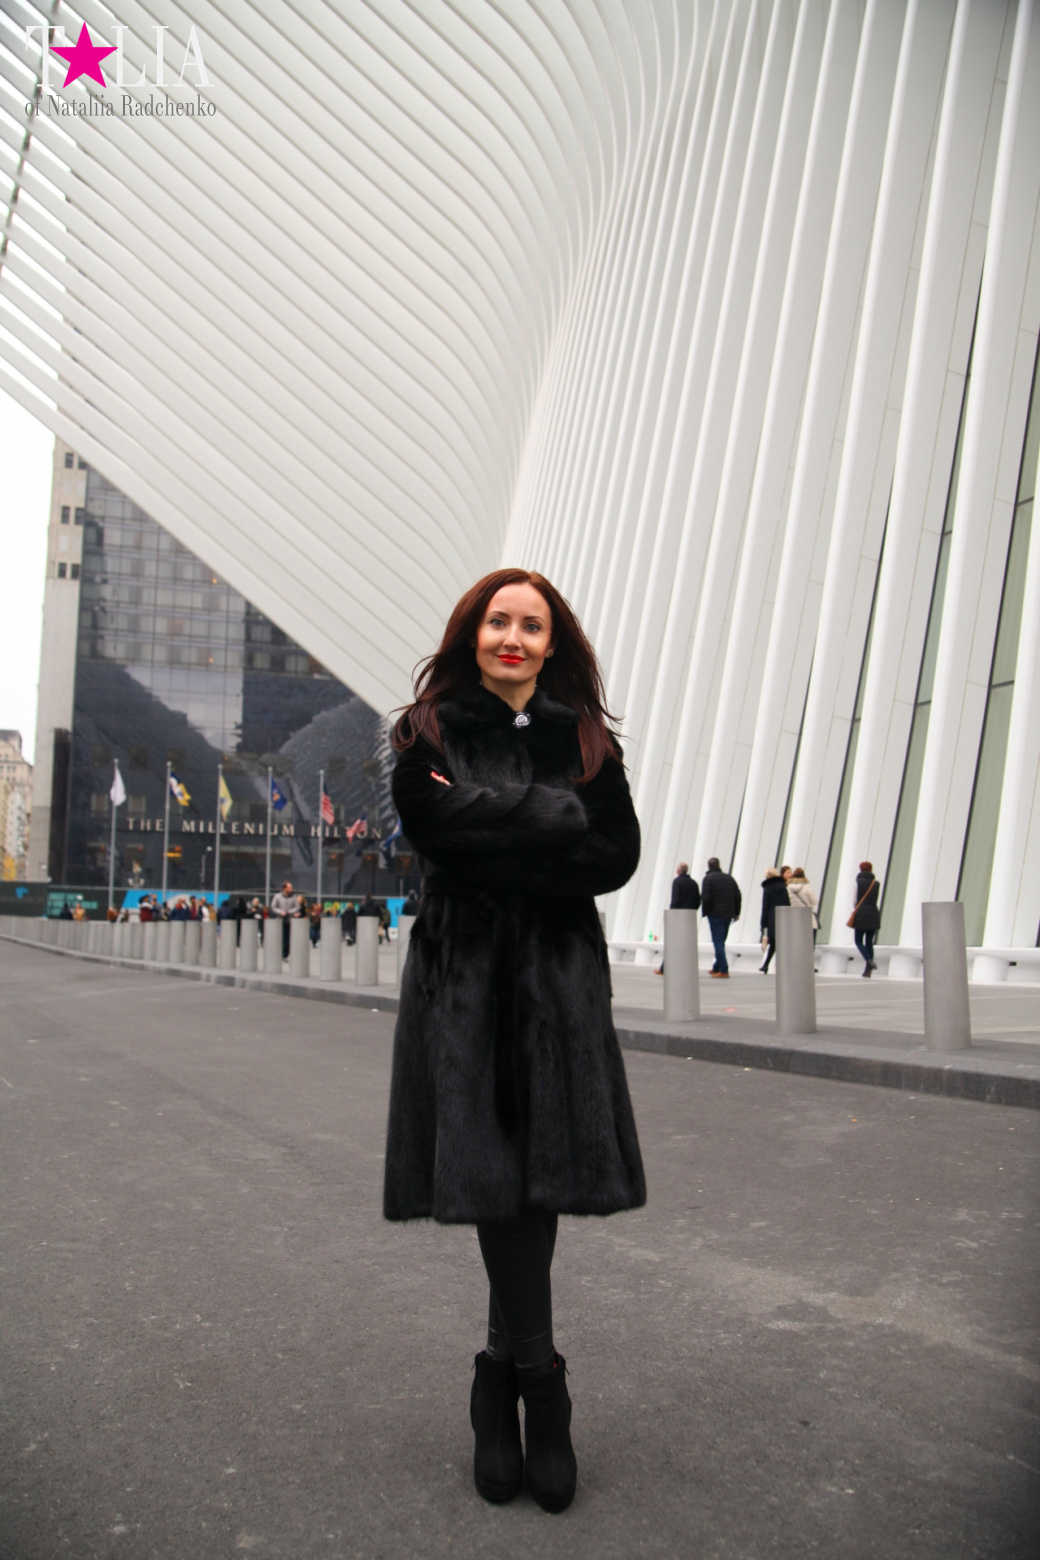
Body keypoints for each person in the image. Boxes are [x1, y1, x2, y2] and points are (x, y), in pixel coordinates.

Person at [384, 567, 645, 1515]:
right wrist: (554, 818)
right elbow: (433, 828)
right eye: (499, 620)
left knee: (539, 1181)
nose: (513, 638)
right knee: (500, 1180)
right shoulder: (427, 732)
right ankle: (541, 1390)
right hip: (465, 988)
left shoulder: (587, 737)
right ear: (472, 632)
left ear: (552, 640)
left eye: (531, 626)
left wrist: (500, 821)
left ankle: (500, 1373)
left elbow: (616, 855)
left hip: (561, 990)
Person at [655, 862, 700, 974]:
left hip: (678, 916)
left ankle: (664, 968)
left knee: (672, 943)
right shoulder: (694, 883)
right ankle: (685, 968)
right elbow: (698, 900)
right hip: (689, 917)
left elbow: (675, 900)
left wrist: (672, 914)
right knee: (686, 943)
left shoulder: (677, 882)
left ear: (678, 871)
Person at [701, 857, 741, 977]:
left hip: (715, 914)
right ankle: (716, 967)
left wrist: (706, 912)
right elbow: (738, 895)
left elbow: (706, 897)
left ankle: (724, 970)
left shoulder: (708, 879)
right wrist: (736, 912)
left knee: (718, 942)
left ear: (708, 866)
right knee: (721, 942)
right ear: (719, 865)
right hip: (728, 914)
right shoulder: (729, 878)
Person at [851, 862, 880, 976]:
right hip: (873, 913)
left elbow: (854, 900)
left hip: (861, 913)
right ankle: (868, 970)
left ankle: (869, 961)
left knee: (858, 941)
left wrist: (856, 909)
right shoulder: (876, 883)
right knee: (869, 942)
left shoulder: (856, 882)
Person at [758, 868, 789, 973]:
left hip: (772, 917)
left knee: (774, 942)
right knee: (779, 942)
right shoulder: (783, 886)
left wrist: (763, 924)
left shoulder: (768, 888)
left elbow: (765, 907)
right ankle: (768, 964)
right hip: (783, 916)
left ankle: (767, 964)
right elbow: (787, 902)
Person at [786, 868, 819, 943]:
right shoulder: (806, 886)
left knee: (797, 941)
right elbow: (815, 901)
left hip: (794, 916)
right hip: (807, 916)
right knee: (809, 942)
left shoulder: (788, 888)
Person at [270, 880, 296, 958]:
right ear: (285, 888)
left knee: (288, 938)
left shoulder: (293, 897)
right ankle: (279, 953)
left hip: (289, 920)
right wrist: (280, 912)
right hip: (279, 919)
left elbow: (297, 907)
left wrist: (290, 911)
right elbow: (273, 906)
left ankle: (285, 954)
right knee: (279, 937)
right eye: (289, 887)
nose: (291, 889)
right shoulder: (277, 896)